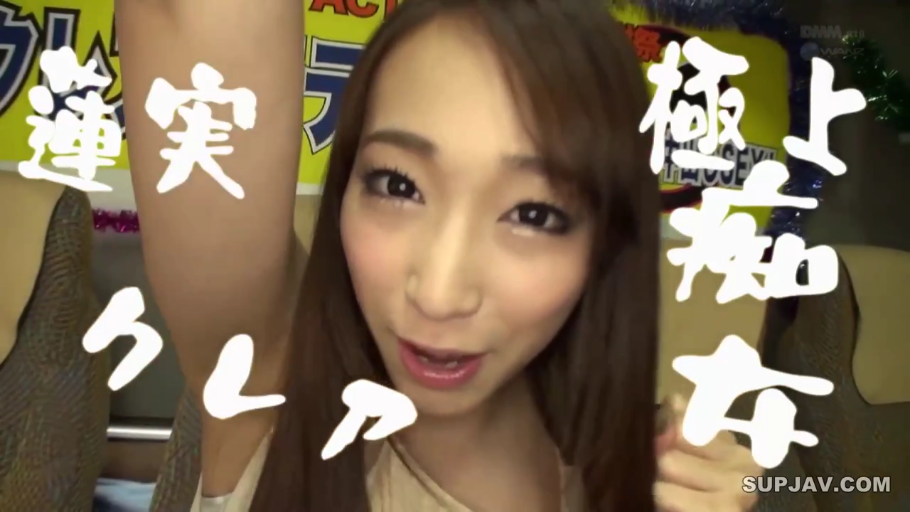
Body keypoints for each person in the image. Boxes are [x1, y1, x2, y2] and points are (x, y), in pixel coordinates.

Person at [115, 0, 762, 510]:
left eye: (533, 214)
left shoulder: (651, 474)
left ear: (605, 243)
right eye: (398, 186)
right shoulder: (271, 389)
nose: (440, 295)